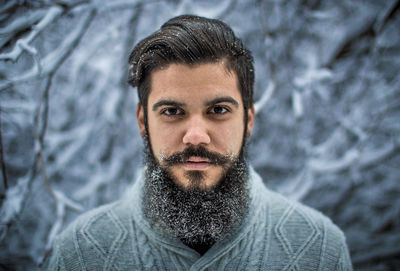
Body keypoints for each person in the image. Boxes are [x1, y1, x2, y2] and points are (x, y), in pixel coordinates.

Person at [48, 15, 353, 270]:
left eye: (218, 110)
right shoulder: (81, 253)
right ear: (143, 121)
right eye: (172, 111)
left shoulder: (319, 249)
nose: (195, 135)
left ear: (248, 120)